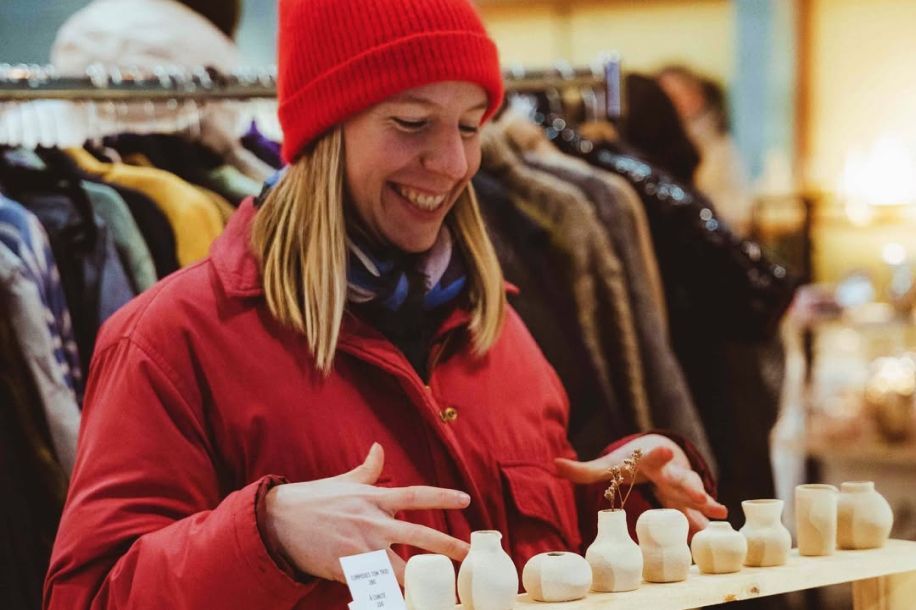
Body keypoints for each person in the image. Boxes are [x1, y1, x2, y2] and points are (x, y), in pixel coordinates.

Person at [43, 1, 727, 608]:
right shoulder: (175, 339)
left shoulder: (493, 326)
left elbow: (506, 553)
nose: (453, 163)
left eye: (468, 127)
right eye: (411, 122)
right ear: (322, 133)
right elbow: (90, 593)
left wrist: (619, 495)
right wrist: (266, 532)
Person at [657, 65, 754, 237]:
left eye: (674, 96)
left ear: (695, 98)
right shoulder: (658, 144)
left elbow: (739, 208)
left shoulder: (718, 147)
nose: (669, 105)